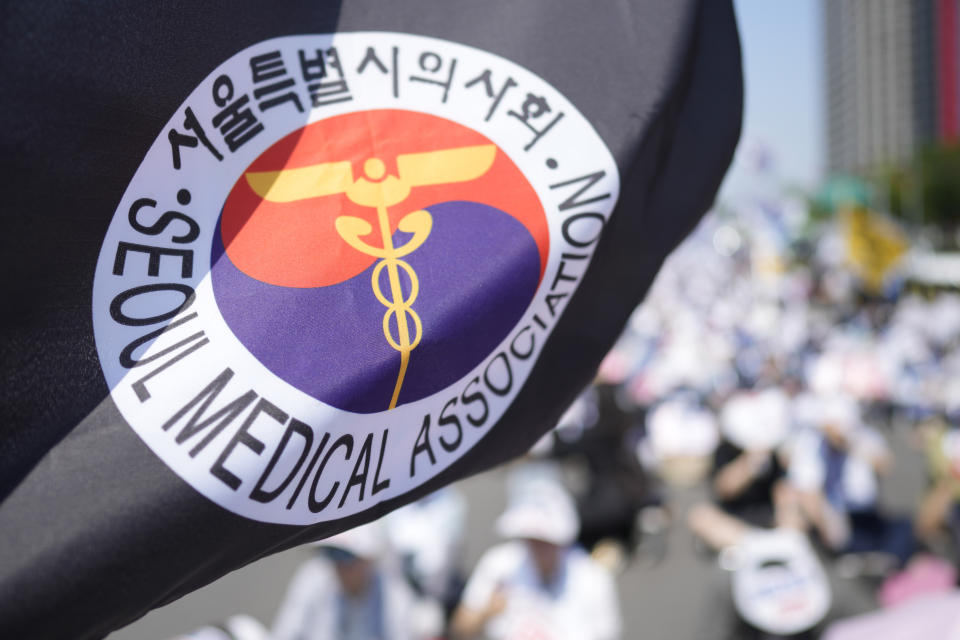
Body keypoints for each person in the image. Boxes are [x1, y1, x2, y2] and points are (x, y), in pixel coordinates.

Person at [450, 475, 621, 640]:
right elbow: (460, 629)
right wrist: (487, 612)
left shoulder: (593, 578)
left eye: (547, 541)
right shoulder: (499, 565)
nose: (538, 547)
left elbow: (606, 634)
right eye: (532, 539)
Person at [272, 522, 441, 640]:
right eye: (331, 554)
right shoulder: (312, 577)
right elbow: (285, 634)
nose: (339, 567)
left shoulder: (396, 598)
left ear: (370, 558)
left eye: (347, 557)